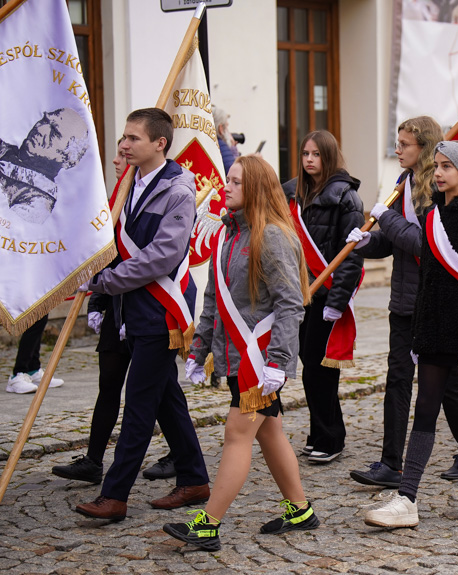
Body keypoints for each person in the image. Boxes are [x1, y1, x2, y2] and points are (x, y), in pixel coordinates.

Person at [163, 155, 319, 551]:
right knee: (270, 431)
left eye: (235, 182)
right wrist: (199, 352)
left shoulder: (272, 236)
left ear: (255, 188)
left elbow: (290, 304)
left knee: (237, 435)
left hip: (260, 361)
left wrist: (279, 362)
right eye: (227, 180)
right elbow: (215, 299)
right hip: (236, 356)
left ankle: (207, 524)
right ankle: (300, 510)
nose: (226, 187)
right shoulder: (229, 235)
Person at [363, 141, 458, 528]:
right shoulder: (432, 215)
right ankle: (407, 497)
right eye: (437, 166)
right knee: (427, 408)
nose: (438, 173)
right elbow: (428, 284)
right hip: (434, 332)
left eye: (447, 167)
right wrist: (418, 337)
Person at [76, 108, 209, 521]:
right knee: (166, 399)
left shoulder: (178, 192)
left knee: (138, 405)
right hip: (129, 312)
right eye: (124, 137)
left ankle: (114, 496)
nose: (124, 145)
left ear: (160, 144)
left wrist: (106, 282)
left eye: (133, 138)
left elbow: (162, 256)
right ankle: (194, 478)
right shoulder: (129, 182)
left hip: (159, 314)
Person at [346, 117, 458, 487]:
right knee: (398, 380)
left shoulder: (432, 193)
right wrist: (366, 243)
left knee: (449, 384)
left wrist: (386, 219)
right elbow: (393, 243)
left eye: (404, 144)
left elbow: (426, 245)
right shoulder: (401, 184)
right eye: (397, 142)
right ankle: (391, 463)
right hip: (403, 301)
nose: (397, 149)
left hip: (434, 302)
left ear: (423, 147)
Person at [52, 140, 175, 484]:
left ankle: (180, 457)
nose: (118, 160)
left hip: (148, 307)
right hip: (116, 306)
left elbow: (149, 257)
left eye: (125, 153)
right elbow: (104, 256)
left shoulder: (152, 196)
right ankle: (93, 459)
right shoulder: (118, 199)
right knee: (109, 383)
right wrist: (97, 303)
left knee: (160, 392)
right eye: (118, 153)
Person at [282, 130, 364, 464]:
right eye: (305, 154)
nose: (309, 160)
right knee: (308, 366)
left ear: (328, 156)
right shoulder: (292, 194)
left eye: (316, 154)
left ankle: (331, 438)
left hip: (326, 294)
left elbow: (351, 255)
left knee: (321, 369)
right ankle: (321, 432)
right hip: (297, 291)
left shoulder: (347, 197)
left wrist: (337, 302)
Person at [212, 105, 239, 173]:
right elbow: (234, 173)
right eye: (226, 127)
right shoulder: (221, 146)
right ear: (221, 128)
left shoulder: (208, 143)